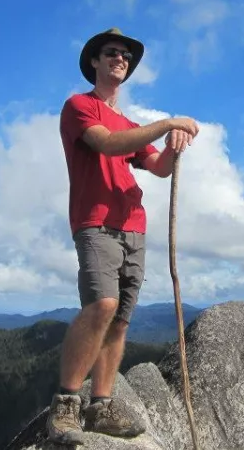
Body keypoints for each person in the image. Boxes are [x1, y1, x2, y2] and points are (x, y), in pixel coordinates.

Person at [47, 27, 200, 444]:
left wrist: (174, 143)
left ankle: (100, 405)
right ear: (94, 62)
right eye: (111, 53)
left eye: (126, 56)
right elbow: (109, 145)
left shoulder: (129, 122)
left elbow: (160, 167)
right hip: (96, 222)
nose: (121, 59)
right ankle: (66, 405)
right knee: (102, 304)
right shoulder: (79, 107)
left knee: (121, 321)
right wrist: (167, 122)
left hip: (133, 225)